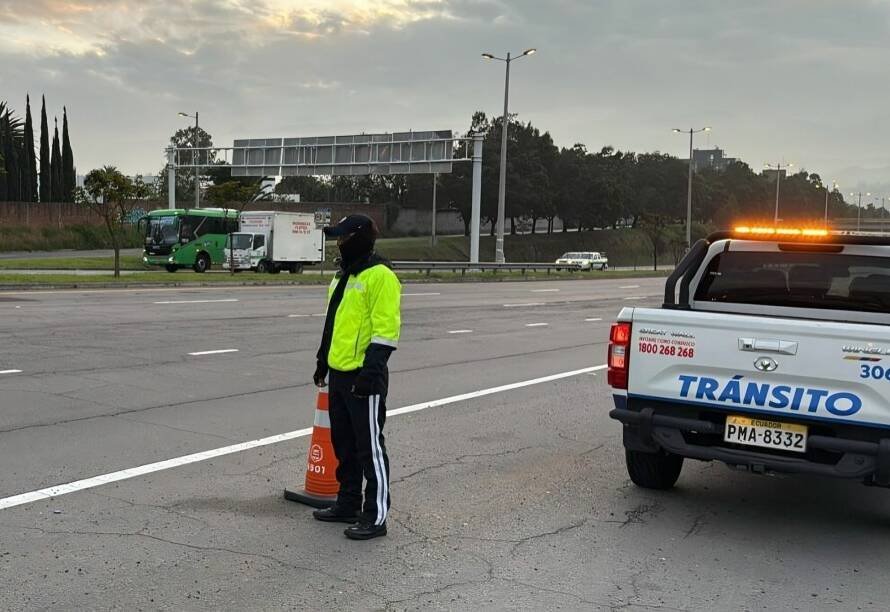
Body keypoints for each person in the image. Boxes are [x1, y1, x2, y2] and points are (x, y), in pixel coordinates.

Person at [311, 214, 401, 540]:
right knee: (343, 445)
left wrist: (371, 372)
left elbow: (386, 330)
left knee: (369, 449)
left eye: (343, 237)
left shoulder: (381, 276)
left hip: (364, 377)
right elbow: (332, 323)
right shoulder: (343, 276)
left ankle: (375, 517)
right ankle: (347, 503)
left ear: (360, 237)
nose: (339, 242)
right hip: (339, 372)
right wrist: (323, 361)